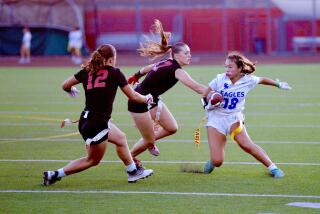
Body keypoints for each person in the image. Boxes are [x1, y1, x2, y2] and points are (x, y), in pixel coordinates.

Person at [43, 44, 154, 186]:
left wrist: (71, 90)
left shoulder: (87, 71)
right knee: (92, 160)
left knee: (120, 138)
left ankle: (133, 172)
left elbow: (65, 85)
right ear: (110, 60)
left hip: (86, 119)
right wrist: (146, 98)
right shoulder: (115, 72)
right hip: (97, 124)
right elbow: (132, 96)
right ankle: (54, 174)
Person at [126, 19, 206, 166]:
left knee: (171, 128)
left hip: (152, 100)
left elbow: (149, 67)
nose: (190, 55)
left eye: (190, 53)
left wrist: (137, 75)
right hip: (139, 102)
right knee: (149, 138)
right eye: (186, 53)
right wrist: (217, 93)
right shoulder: (176, 70)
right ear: (176, 55)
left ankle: (149, 140)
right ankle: (130, 157)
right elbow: (197, 88)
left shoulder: (166, 62)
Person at [202, 51, 292, 178]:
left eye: (230, 67)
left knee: (246, 144)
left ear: (240, 68)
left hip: (234, 118)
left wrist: (278, 84)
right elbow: (205, 96)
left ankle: (273, 168)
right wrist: (210, 102)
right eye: (226, 66)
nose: (227, 69)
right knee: (218, 161)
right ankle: (212, 161)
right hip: (216, 119)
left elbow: (262, 79)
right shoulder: (219, 79)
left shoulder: (248, 80)